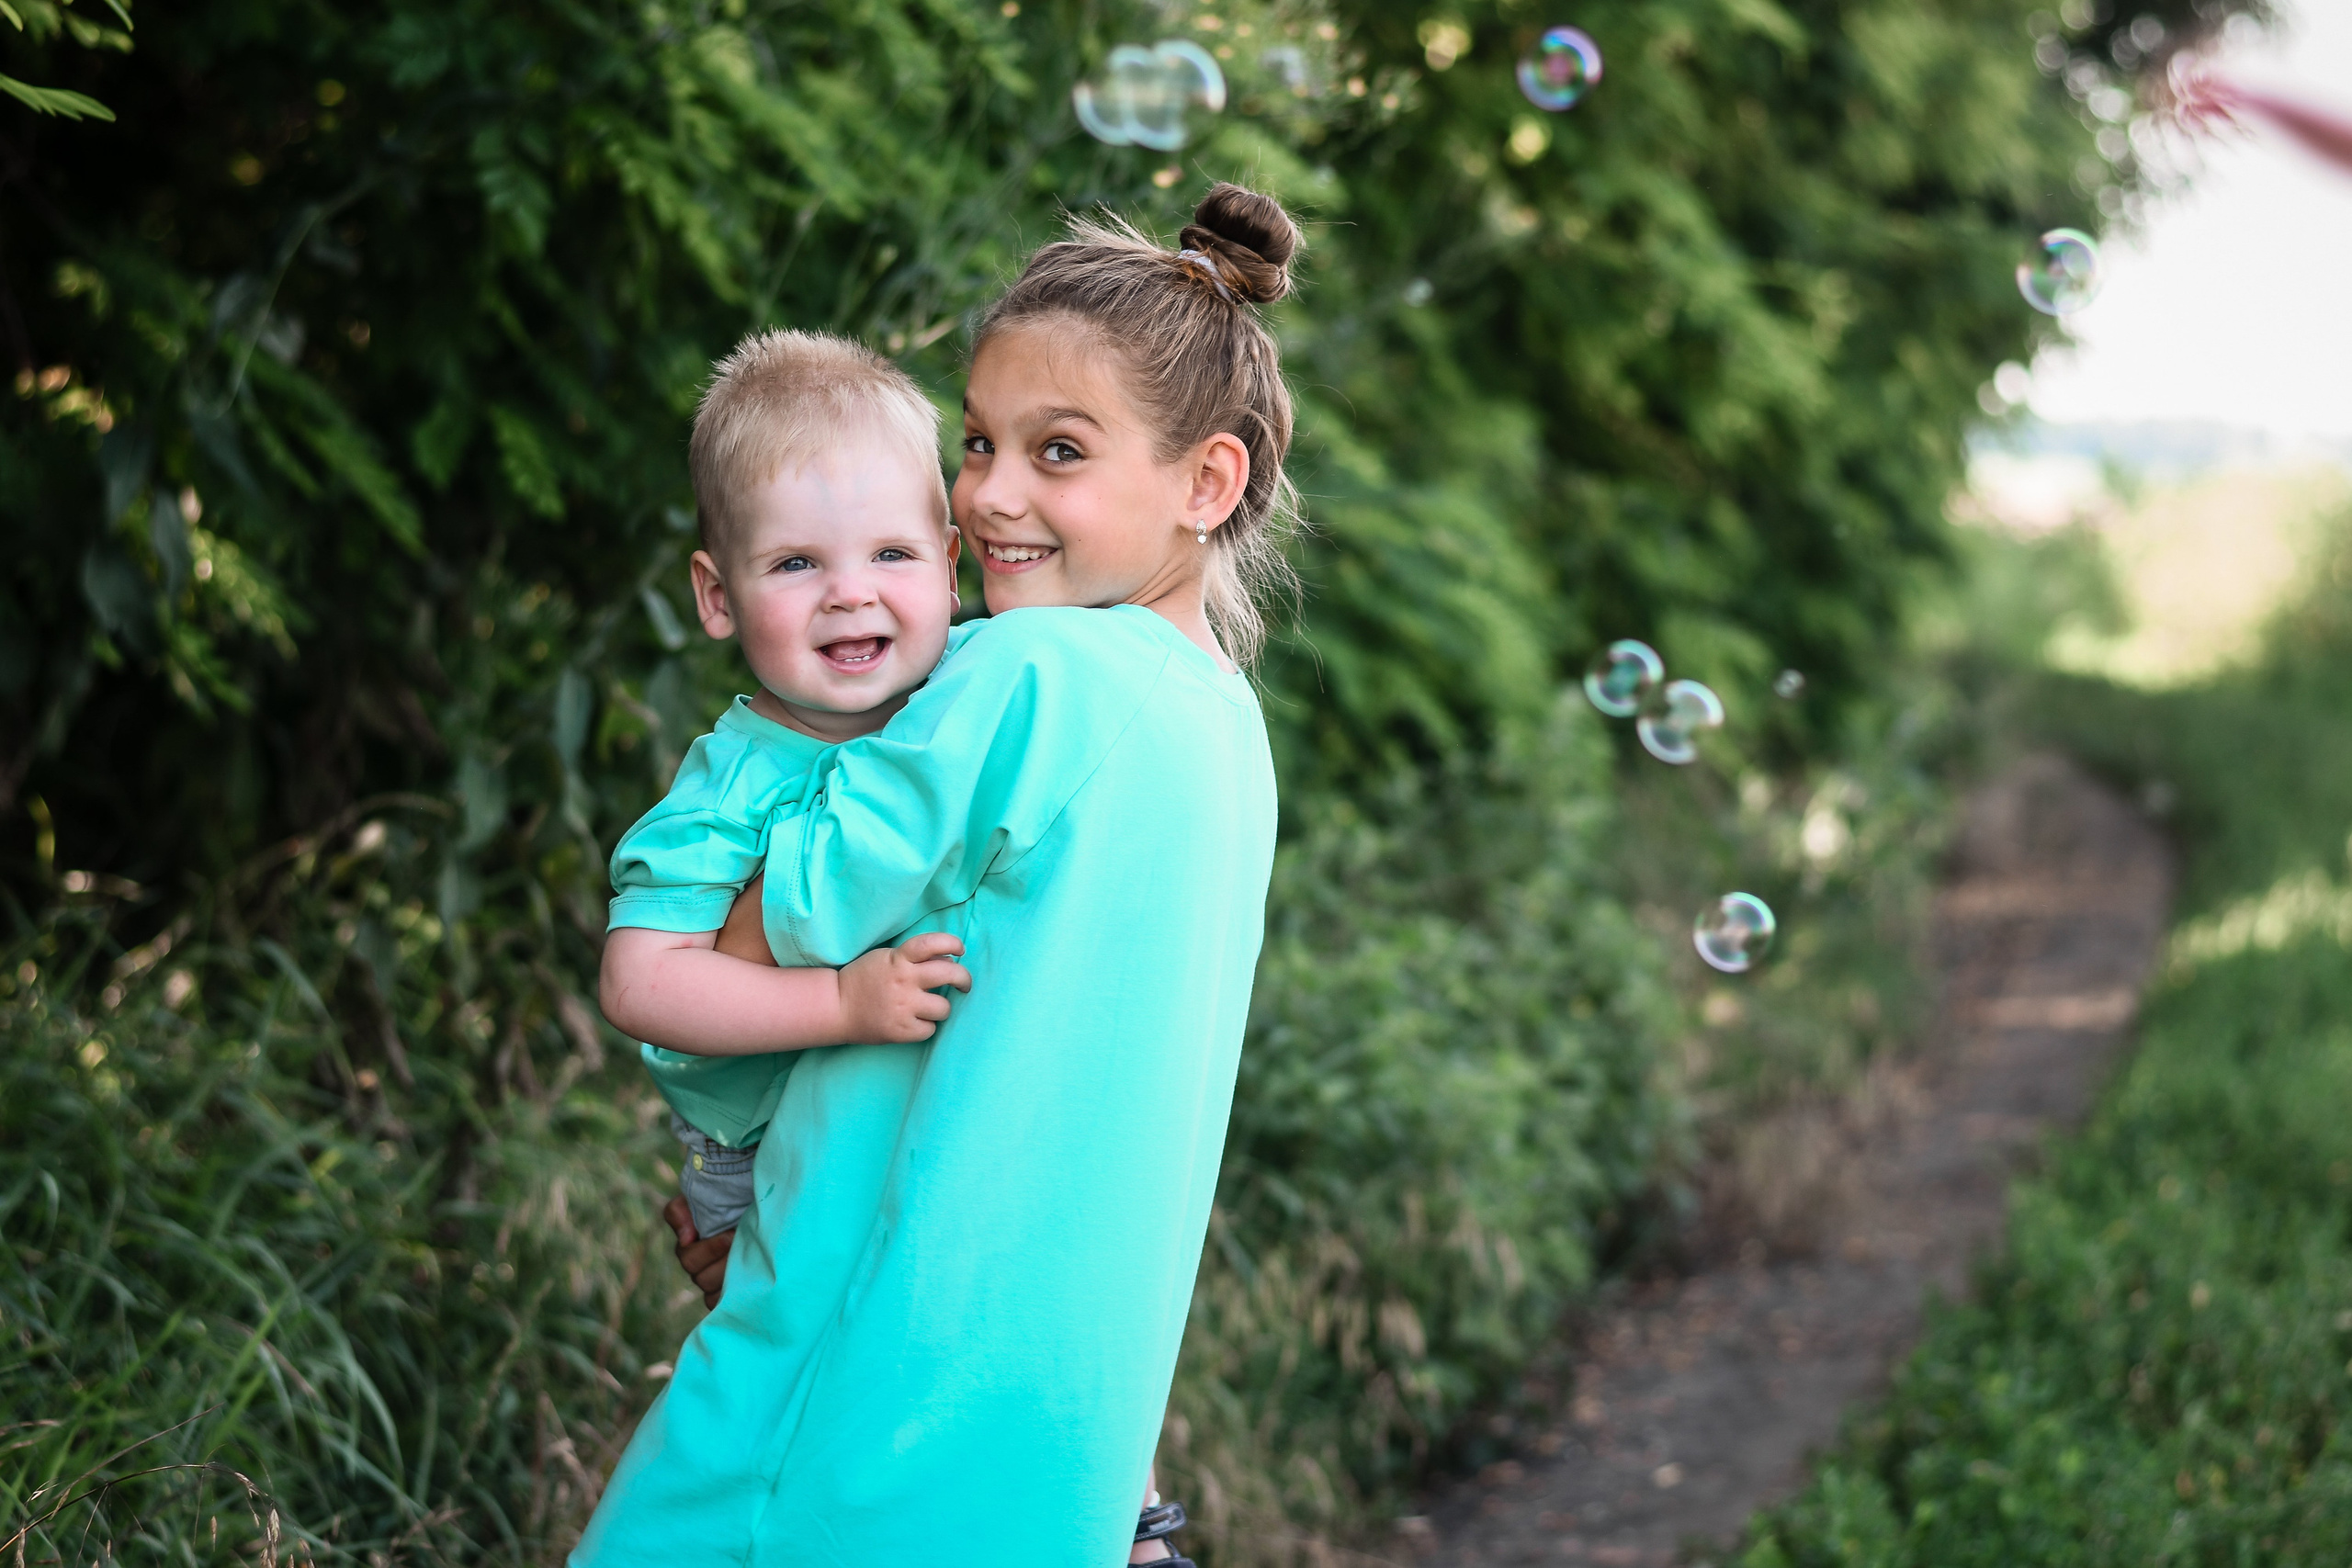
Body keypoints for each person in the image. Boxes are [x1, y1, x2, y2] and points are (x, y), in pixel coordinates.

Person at [572, 181, 1301, 1567]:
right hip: (1054, 1425)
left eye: (1059, 450)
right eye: (977, 442)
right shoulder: (1225, 723)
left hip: (866, 1366)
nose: (991, 494)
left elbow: (755, 942)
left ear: (1206, 484)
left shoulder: (1026, 670)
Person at [598, 328, 975, 1242]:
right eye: (797, 563)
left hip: (892, 1105)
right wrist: (839, 1004)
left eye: (892, 554)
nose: (850, 593)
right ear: (717, 595)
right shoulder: (731, 787)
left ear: (950, 566)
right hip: (749, 1141)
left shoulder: (974, 692)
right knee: (786, 1317)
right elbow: (639, 984)